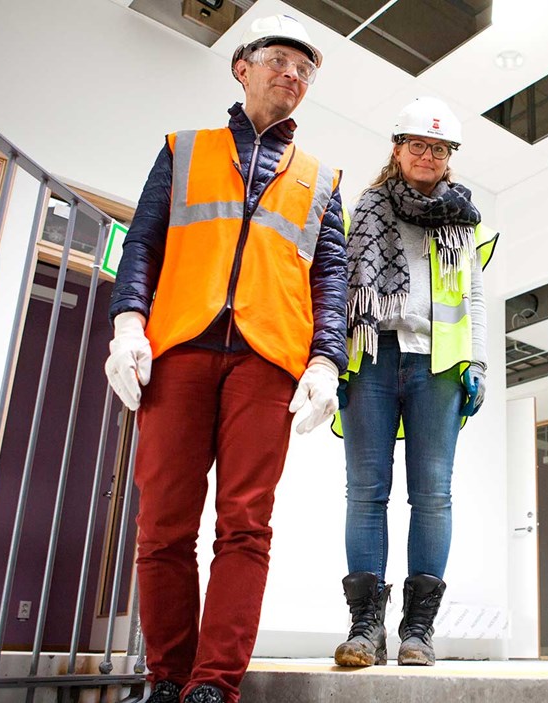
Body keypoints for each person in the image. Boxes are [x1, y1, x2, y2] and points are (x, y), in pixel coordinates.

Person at [103, 14, 347, 703]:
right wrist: (128, 323)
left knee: (245, 524)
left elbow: (329, 278)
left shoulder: (323, 178)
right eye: (279, 61)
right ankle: (166, 676)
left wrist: (325, 361)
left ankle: (213, 683)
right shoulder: (183, 150)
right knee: (162, 523)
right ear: (241, 67)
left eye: (305, 70)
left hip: (268, 359)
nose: (292, 76)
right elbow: (142, 241)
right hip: (180, 345)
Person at [329, 97, 498, 668]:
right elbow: (339, 285)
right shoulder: (368, 208)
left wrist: (476, 362)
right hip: (372, 357)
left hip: (438, 366)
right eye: (417, 145)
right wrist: (331, 360)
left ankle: (417, 632)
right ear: (397, 149)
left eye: (439, 148)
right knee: (366, 492)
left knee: (432, 495)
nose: (427, 155)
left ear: (449, 158)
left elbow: (473, 295)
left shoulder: (463, 219)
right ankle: (364, 629)